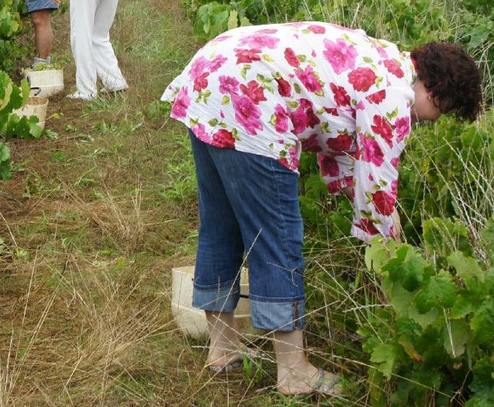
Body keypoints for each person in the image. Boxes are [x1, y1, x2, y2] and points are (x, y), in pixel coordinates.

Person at [160, 22, 482, 397]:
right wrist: (387, 239)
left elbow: (339, 145)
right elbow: (377, 185)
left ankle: (223, 349)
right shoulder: (395, 94)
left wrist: (368, 203)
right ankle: (294, 372)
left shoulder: (380, 57)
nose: (431, 121)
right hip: (251, 99)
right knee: (278, 236)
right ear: (437, 92)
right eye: (441, 112)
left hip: (212, 75)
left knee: (221, 225)